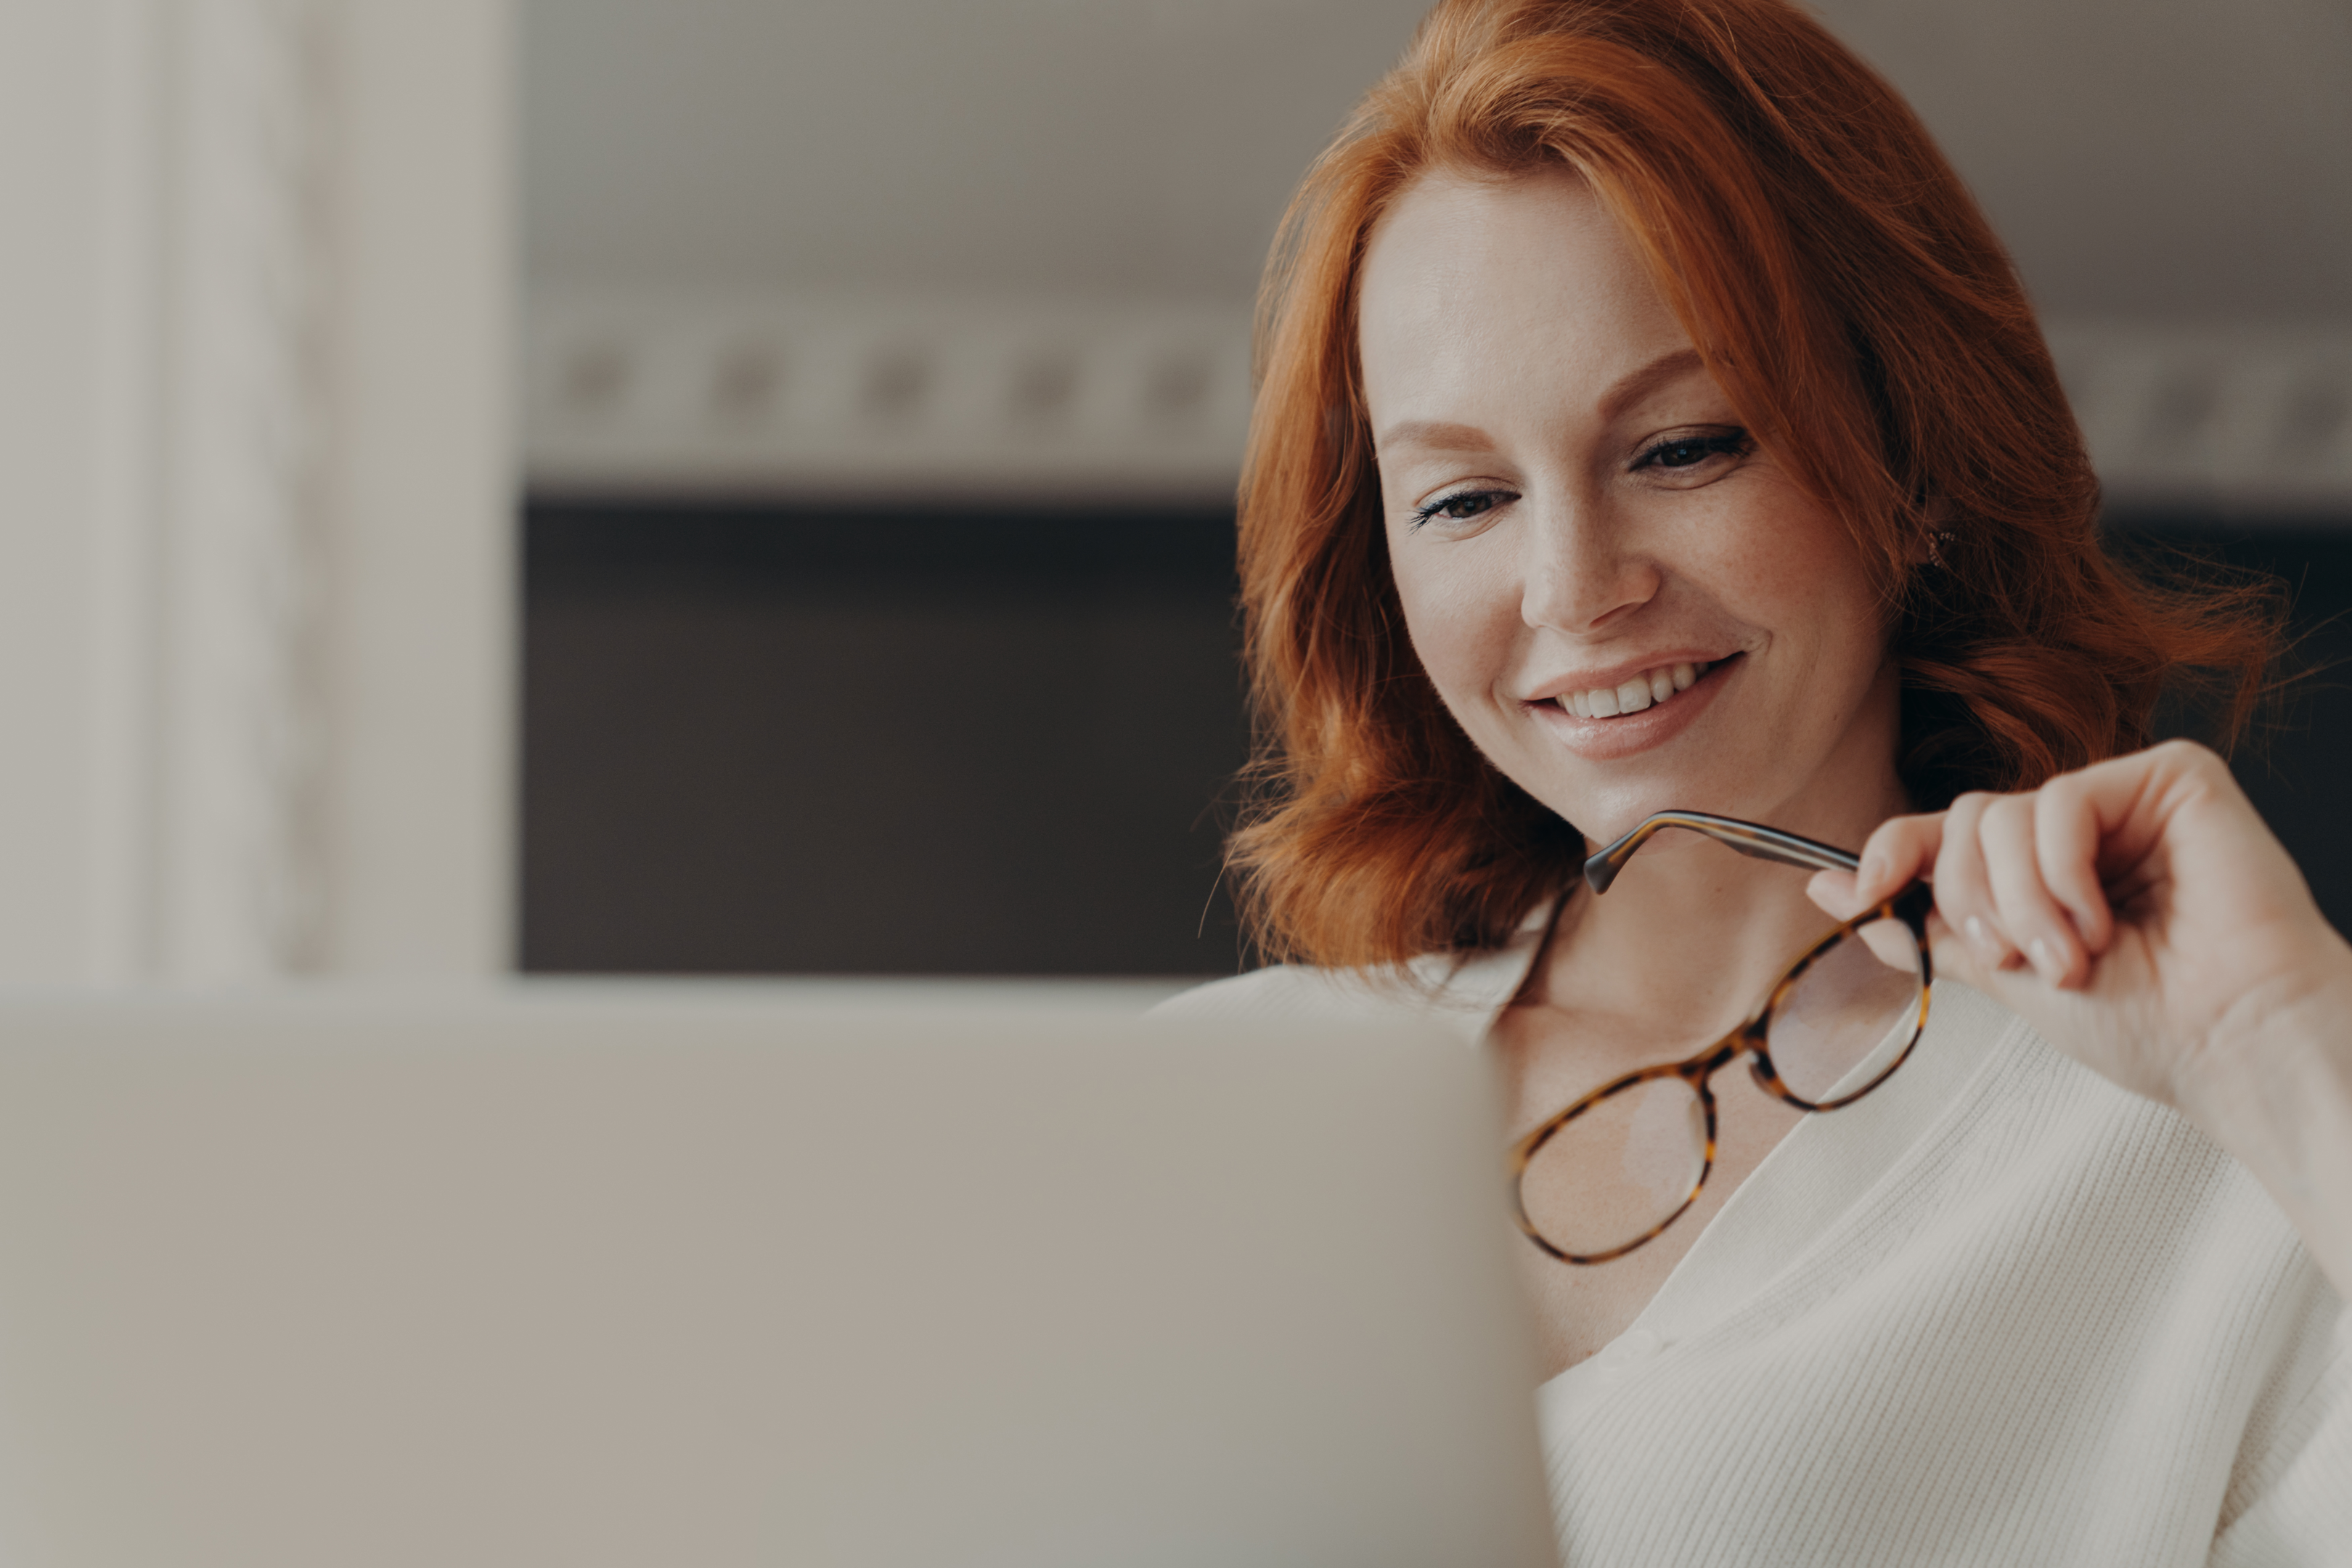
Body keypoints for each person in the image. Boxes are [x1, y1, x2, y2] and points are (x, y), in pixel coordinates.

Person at [1156, 0, 2352, 1559]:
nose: (1573, 589)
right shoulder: (1201, 1101)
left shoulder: (2210, 1154)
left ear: (1910, 466)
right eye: (1463, 499)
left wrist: (2285, 1045)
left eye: (1682, 448)